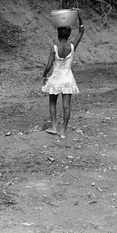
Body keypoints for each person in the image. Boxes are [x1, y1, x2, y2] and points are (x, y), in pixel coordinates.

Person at [41, 9, 85, 139]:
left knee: (52, 103)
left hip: (55, 78)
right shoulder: (72, 46)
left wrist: (44, 75)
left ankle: (54, 127)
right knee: (66, 106)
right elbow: (82, 31)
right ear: (69, 34)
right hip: (68, 78)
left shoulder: (54, 48)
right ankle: (63, 131)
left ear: (58, 35)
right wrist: (79, 16)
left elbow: (49, 65)